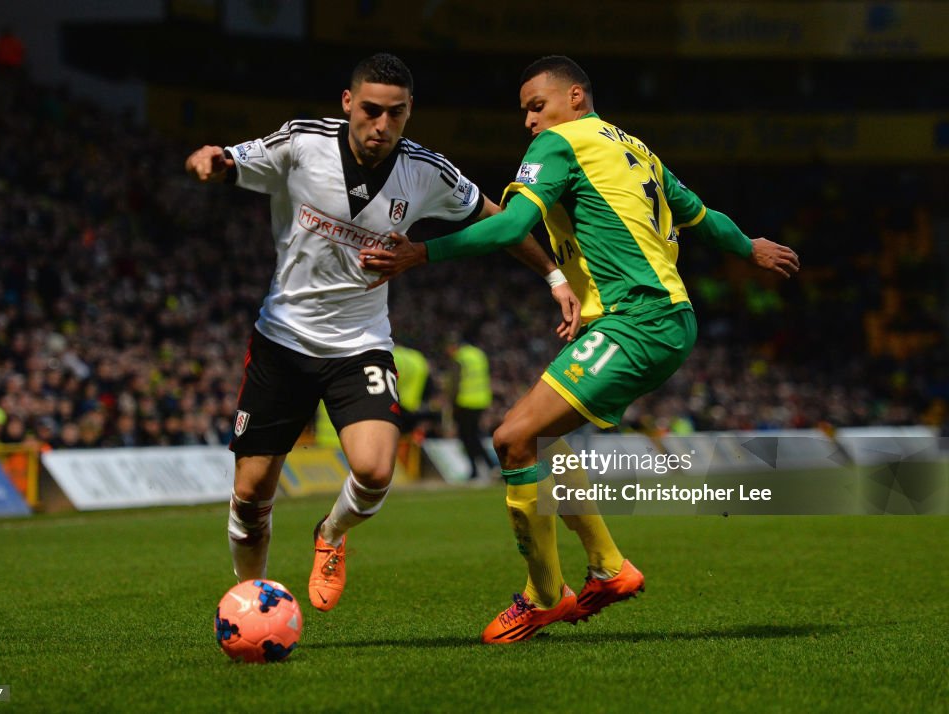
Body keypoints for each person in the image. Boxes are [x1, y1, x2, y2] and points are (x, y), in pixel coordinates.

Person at [361, 55, 800, 642]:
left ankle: (543, 595)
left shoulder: (562, 145)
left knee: (513, 439)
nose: (528, 122)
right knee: (545, 441)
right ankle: (610, 568)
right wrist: (749, 248)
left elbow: (510, 226)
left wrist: (422, 253)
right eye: (523, 112)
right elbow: (701, 217)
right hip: (658, 317)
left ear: (574, 97)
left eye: (536, 106)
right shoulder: (636, 149)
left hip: (639, 320)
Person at [184, 53, 580, 613]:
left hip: (359, 344)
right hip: (283, 340)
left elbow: (497, 218)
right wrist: (211, 159)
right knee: (250, 496)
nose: (382, 125)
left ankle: (332, 533)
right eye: (371, 111)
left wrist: (555, 277)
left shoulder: (426, 171)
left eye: (395, 114)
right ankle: (250, 604)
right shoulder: (302, 143)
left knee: (373, 471)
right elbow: (231, 160)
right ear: (348, 103)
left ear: (409, 112)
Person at [446, 335, 495, 480]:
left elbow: (455, 383)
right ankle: (487, 467)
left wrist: (451, 403)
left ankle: (480, 468)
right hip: (481, 400)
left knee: (468, 437)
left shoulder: (460, 358)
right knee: (474, 436)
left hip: (465, 402)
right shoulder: (478, 354)